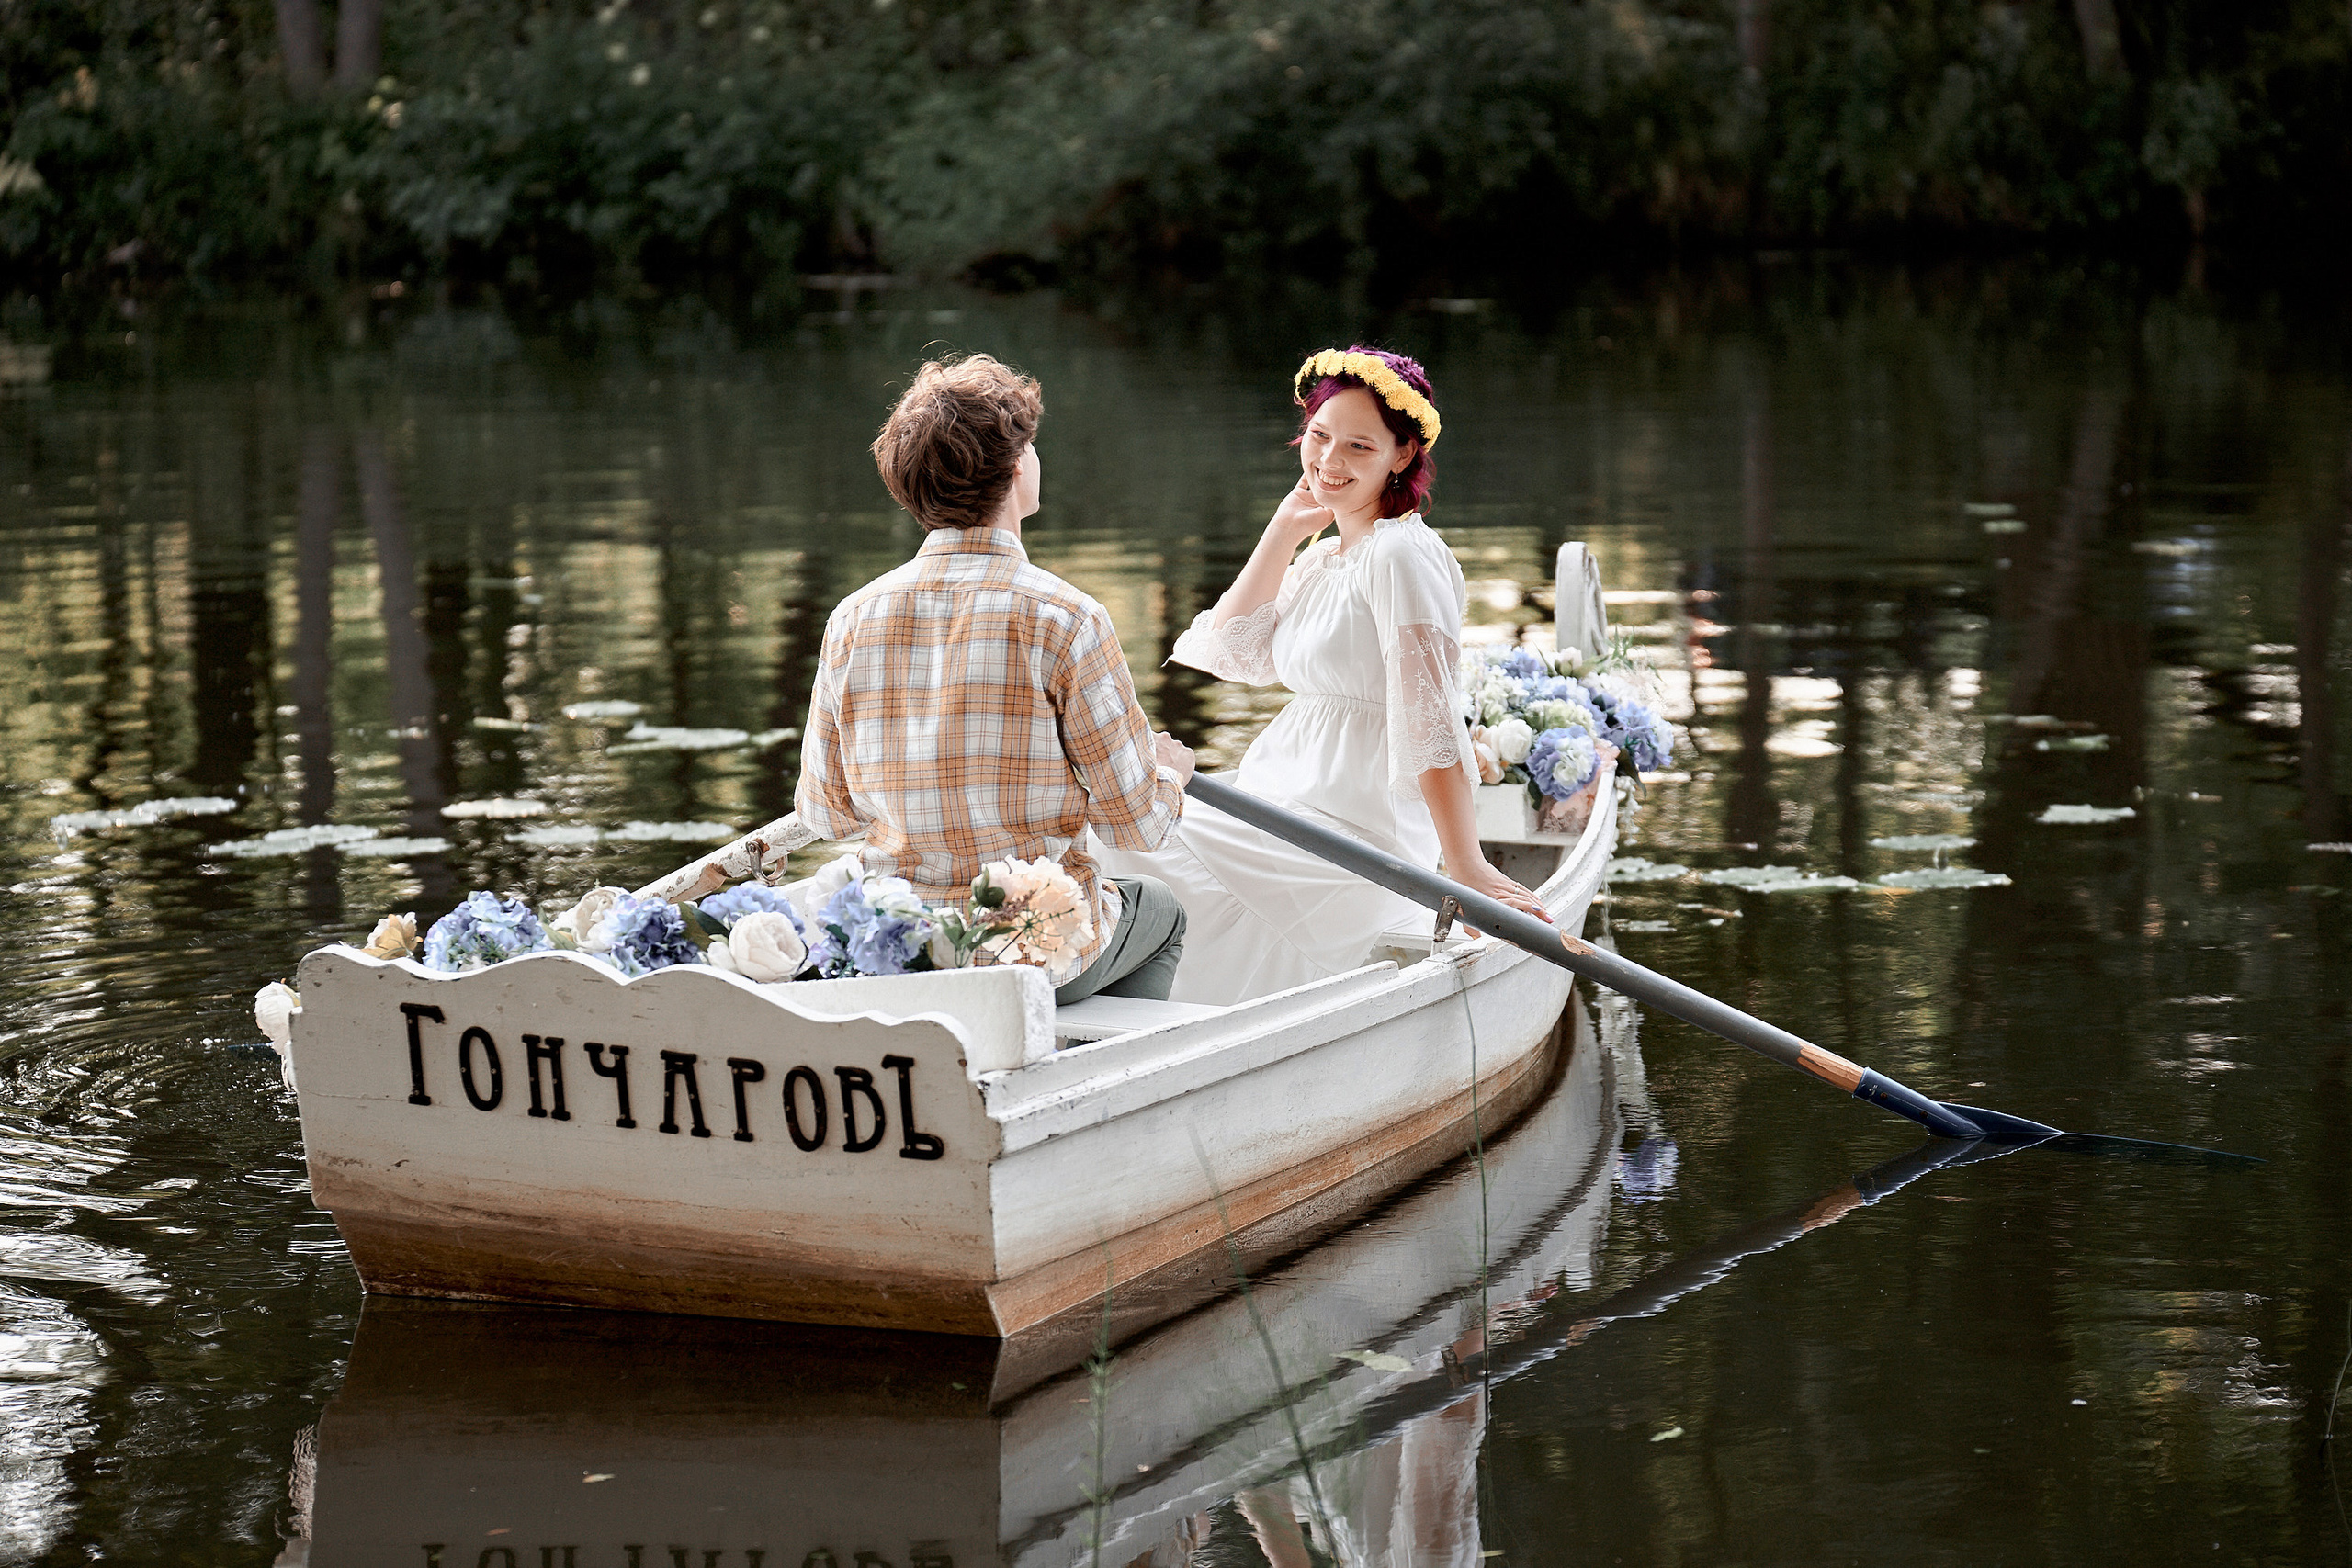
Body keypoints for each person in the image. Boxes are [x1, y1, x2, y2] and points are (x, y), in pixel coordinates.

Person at [1095, 346, 1547, 1007]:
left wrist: (1466, 861)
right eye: (1319, 436)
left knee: (1119, 816)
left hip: (1349, 830)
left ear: (1402, 455)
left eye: (1359, 446)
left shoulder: (1400, 553)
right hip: (1279, 801)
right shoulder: (1327, 557)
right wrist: (1283, 529)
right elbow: (1235, 652)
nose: (1330, 463)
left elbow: (1429, 721)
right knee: (1108, 812)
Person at [794, 354, 1194, 1004]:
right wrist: (1170, 774)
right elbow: (1137, 826)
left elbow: (827, 813)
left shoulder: (851, 619)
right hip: (1027, 953)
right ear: (1015, 472)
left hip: (899, 948)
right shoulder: (1068, 618)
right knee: (1162, 911)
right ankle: (1087, 1074)